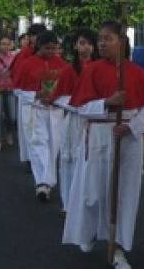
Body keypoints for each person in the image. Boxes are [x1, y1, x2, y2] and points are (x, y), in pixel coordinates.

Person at [62, 21, 144, 269]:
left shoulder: (136, 72)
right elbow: (80, 107)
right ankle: (91, 231)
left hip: (127, 138)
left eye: (108, 38)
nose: (102, 43)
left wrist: (131, 126)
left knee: (123, 193)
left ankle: (116, 247)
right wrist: (107, 102)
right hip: (100, 136)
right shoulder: (92, 70)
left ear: (122, 42)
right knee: (94, 193)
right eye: (100, 39)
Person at [14, 31, 70, 201]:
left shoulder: (62, 64)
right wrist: (36, 95)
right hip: (34, 110)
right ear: (39, 46)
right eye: (47, 48)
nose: (51, 52)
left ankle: (47, 181)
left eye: (54, 48)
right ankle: (42, 183)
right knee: (38, 145)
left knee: (54, 147)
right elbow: (17, 89)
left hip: (54, 111)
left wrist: (57, 99)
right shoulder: (27, 64)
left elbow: (68, 89)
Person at [56, 28, 99, 212]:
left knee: (90, 161)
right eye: (82, 43)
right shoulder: (68, 70)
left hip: (94, 121)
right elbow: (59, 96)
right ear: (75, 46)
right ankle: (68, 202)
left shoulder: (99, 68)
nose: (86, 47)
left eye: (89, 43)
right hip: (74, 120)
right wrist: (77, 105)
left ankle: (85, 200)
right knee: (69, 159)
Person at [11, 24, 47, 167]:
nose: (37, 39)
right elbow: (17, 79)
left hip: (45, 98)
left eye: (40, 35)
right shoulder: (24, 55)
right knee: (28, 128)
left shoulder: (49, 54)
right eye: (34, 35)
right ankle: (30, 159)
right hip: (28, 97)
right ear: (30, 37)